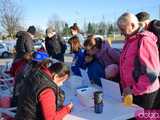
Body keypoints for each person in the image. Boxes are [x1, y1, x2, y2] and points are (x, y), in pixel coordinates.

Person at [117, 12, 160, 108]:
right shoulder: (130, 40)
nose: (121, 32)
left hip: (144, 93)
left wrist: (133, 89)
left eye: (122, 29)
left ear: (132, 25)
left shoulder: (144, 40)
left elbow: (151, 73)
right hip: (133, 91)